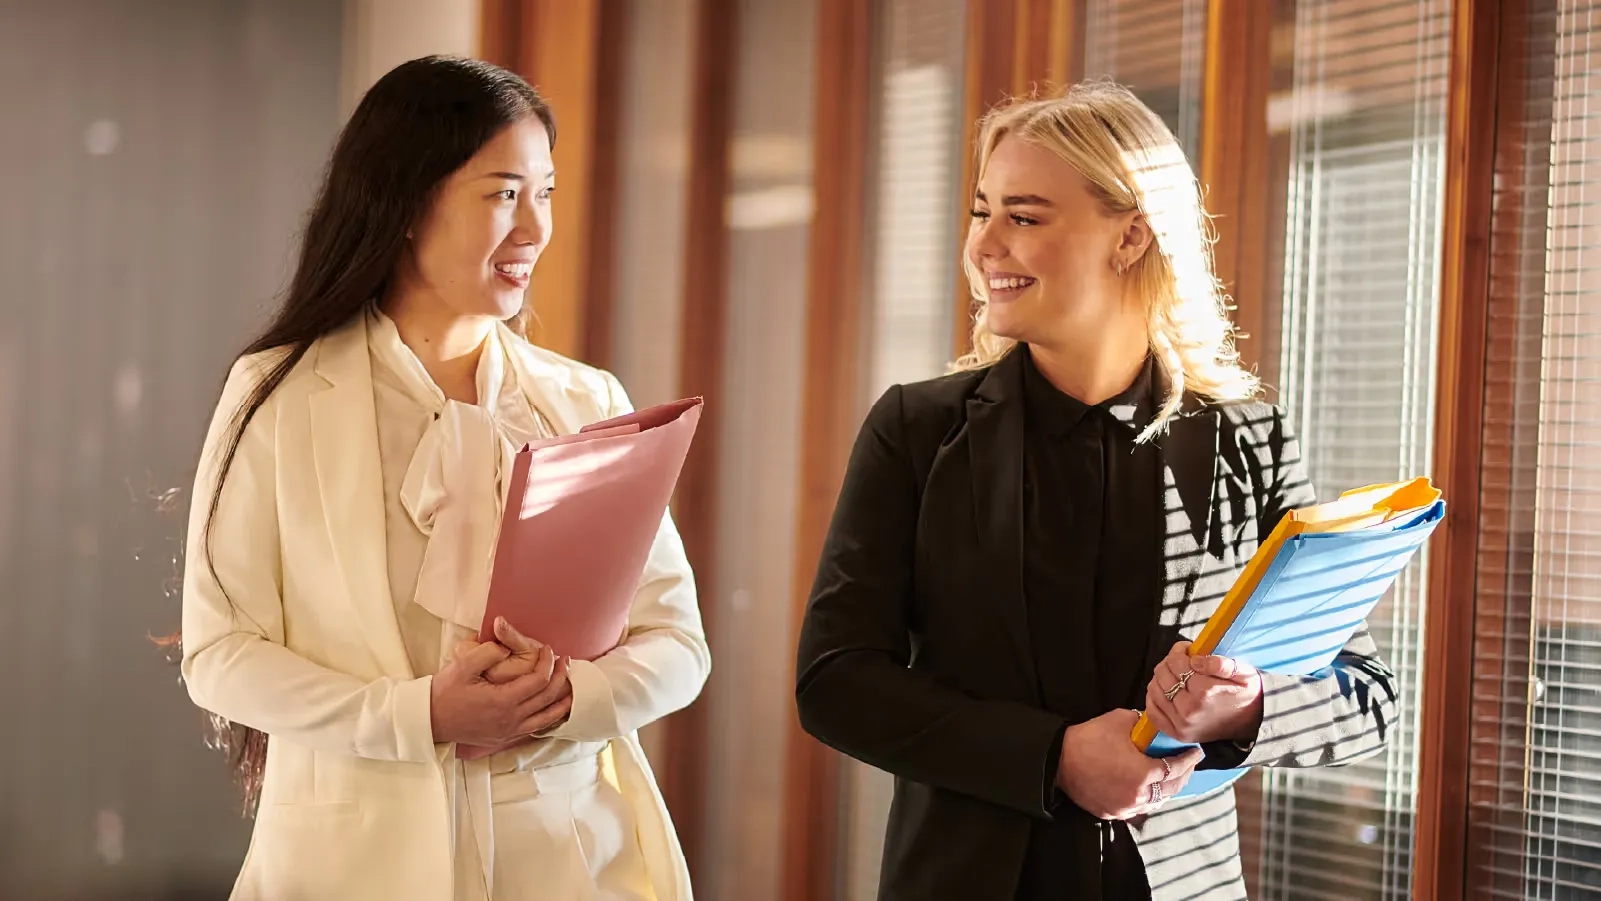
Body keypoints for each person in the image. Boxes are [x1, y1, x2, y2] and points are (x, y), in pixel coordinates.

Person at [794, 81, 1397, 900]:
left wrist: (1243, 709)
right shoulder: (917, 430)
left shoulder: (1248, 440)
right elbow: (834, 681)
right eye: (981, 212)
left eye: (1023, 217)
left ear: (1130, 236)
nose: (983, 245)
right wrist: (1051, 755)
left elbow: (1365, 698)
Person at [180, 55, 709, 901]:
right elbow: (221, 656)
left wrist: (564, 696)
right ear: (404, 201)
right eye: (504, 194)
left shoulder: (587, 400)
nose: (534, 229)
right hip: (346, 869)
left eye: (545, 193)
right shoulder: (278, 394)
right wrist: (420, 714)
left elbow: (678, 644)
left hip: (566, 863)